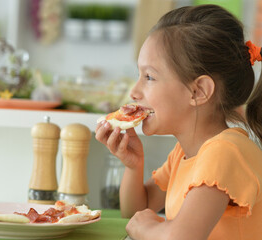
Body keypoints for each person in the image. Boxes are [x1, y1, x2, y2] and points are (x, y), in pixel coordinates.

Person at [95, 4, 262, 240]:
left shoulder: (225, 152)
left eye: (149, 77)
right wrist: (134, 165)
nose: (134, 92)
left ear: (199, 91)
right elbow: (134, 213)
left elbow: (180, 237)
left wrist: (147, 229)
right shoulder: (183, 155)